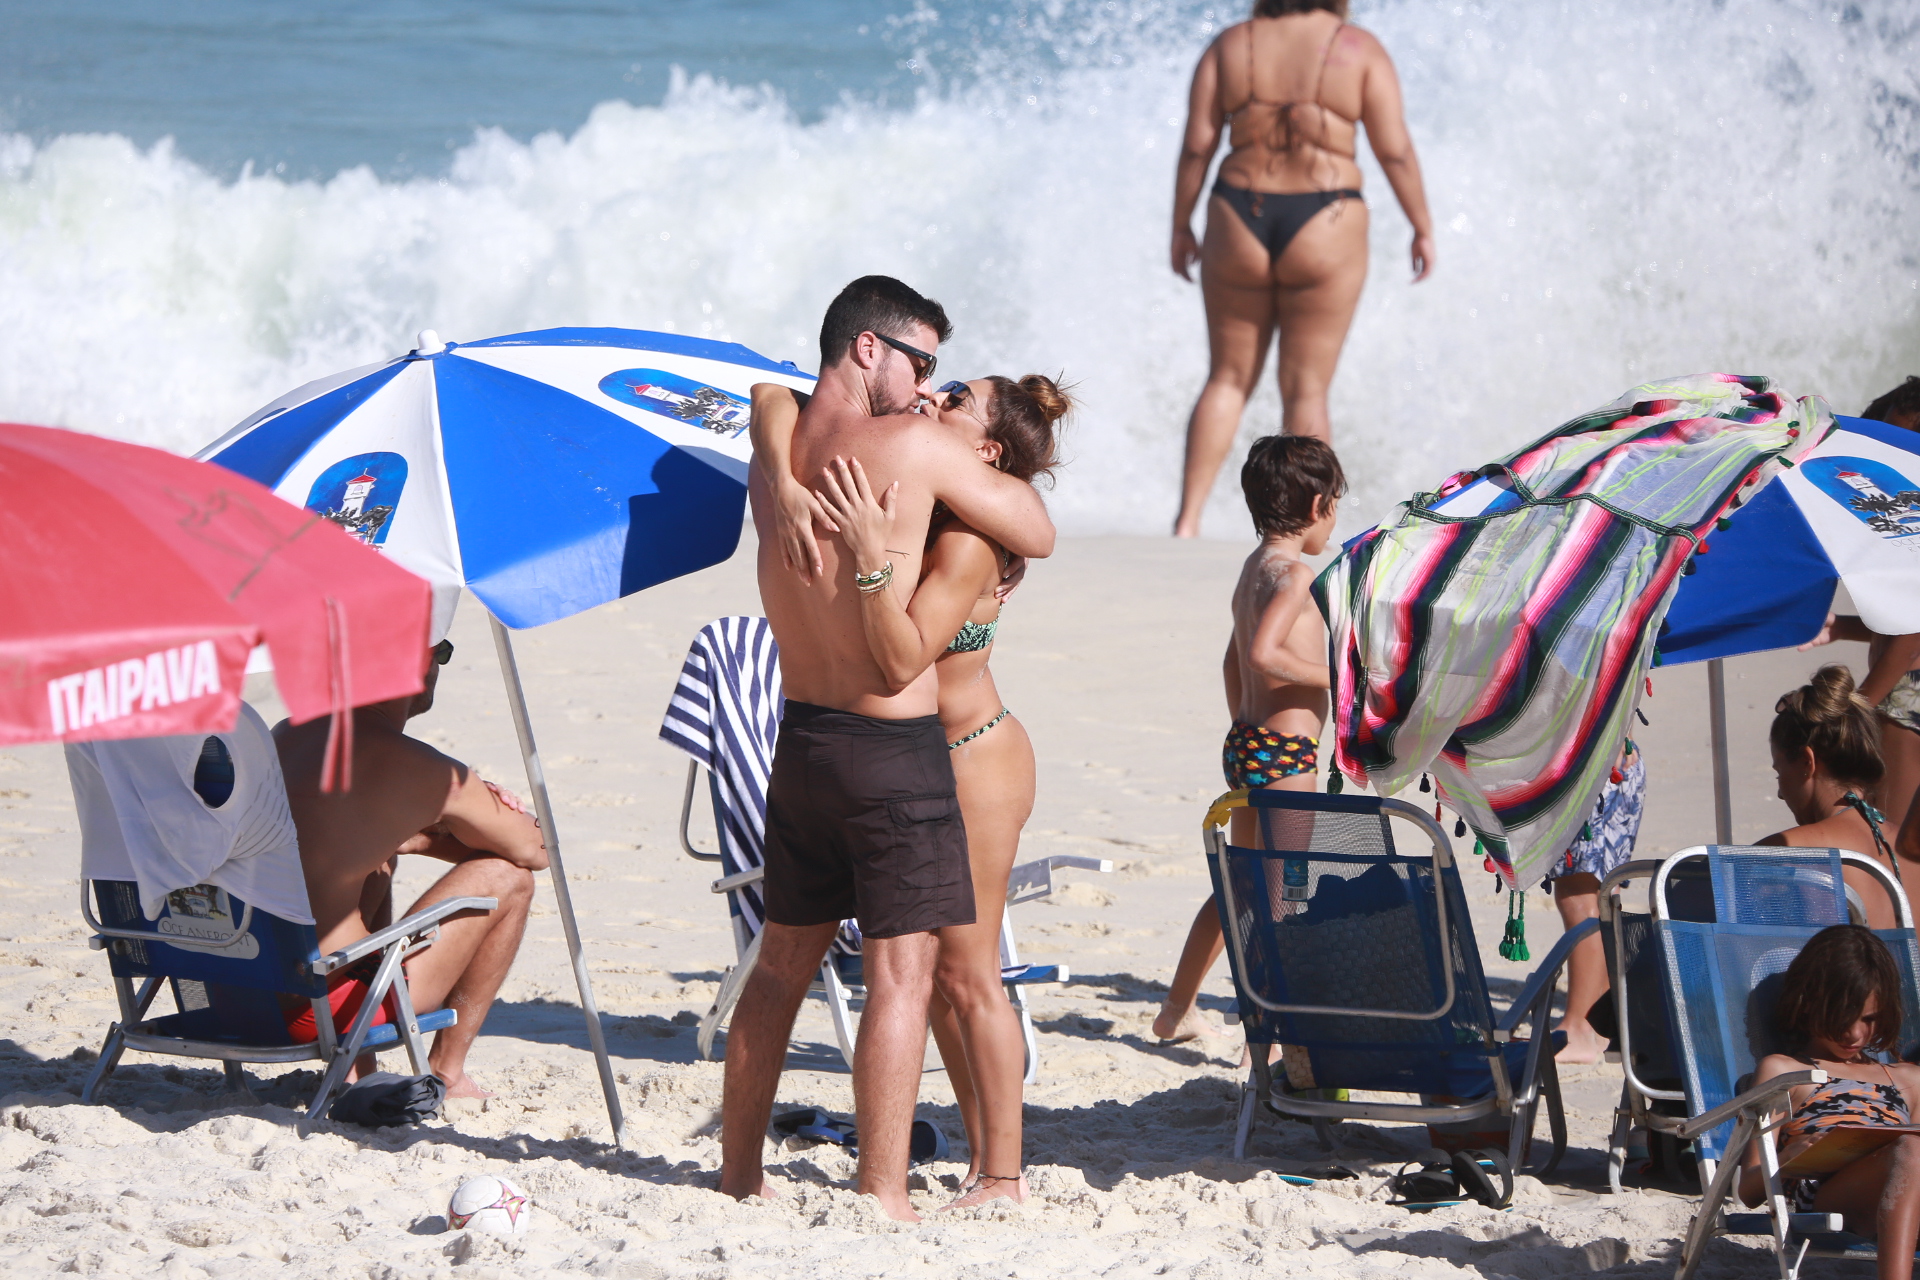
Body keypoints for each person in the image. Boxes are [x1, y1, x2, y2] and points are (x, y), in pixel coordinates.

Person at [719, 275, 1057, 1223]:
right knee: (902, 977)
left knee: (780, 968)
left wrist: (780, 472)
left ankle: (738, 1173)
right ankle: (884, 1192)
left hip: (803, 740)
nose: (926, 389)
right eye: (922, 364)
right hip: (893, 748)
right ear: (868, 348)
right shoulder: (909, 447)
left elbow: (770, 397)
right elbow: (1038, 526)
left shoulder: (777, 455)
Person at [1169, 0, 1433, 538]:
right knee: (1308, 390)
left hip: (1238, 211)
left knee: (1226, 377)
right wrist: (1421, 224)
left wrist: (1181, 223)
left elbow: (1199, 144)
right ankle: (1311, 531)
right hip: (1327, 214)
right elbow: (1395, 150)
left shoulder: (1230, 44)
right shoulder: (1358, 47)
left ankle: (1188, 521)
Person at [274, 639, 549, 1098]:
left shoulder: (287, 734)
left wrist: (416, 838)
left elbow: (328, 840)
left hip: (239, 992)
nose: (439, 662)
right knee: (510, 881)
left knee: (378, 861)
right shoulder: (422, 769)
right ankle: (447, 1071)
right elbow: (536, 852)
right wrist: (473, 805)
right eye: (438, 650)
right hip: (329, 1009)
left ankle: (356, 1069)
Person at [1153, 435, 1343, 1044]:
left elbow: (1233, 659)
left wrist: (1246, 722)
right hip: (1287, 758)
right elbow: (1263, 656)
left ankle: (1176, 1009)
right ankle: (1268, 1031)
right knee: (1285, 899)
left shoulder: (1254, 569)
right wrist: (1342, 676)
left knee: (1241, 887)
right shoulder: (1295, 575)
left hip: (1250, 744)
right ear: (1317, 506)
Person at [1739, 924, 1920, 1280]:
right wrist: (1792, 1157)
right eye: (1842, 1017)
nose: (1854, 1034)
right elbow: (1747, 1191)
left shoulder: (1909, 1078)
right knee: (1912, 1149)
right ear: (1808, 1003)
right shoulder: (1786, 1070)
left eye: (1869, 1019)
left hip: (1902, 1192)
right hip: (1827, 1195)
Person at [1758, 665, 1901, 928]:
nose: (1780, 793)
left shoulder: (1785, 851)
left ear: (1806, 762)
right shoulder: (1908, 848)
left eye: (1779, 772)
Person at [1542, 741, 1647, 1063]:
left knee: (1579, 894)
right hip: (1617, 762)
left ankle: (1582, 1027)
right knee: (1601, 892)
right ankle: (1600, 1023)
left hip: (1592, 764)